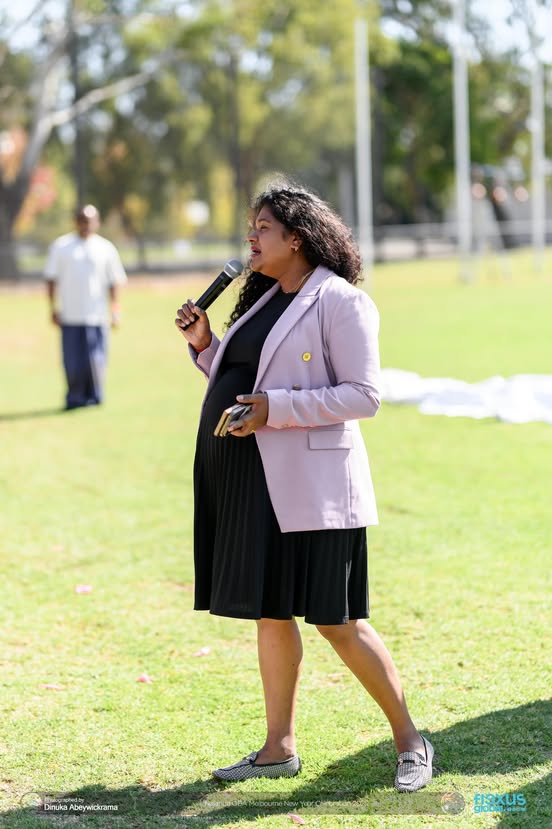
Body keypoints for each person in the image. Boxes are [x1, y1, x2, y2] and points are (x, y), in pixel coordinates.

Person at [175, 182, 434, 793]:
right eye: (251, 227)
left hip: (314, 485)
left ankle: (410, 739)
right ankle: (277, 748)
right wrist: (206, 344)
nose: (251, 237)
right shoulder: (262, 298)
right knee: (270, 612)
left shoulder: (340, 301)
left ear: (297, 237)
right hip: (253, 481)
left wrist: (276, 409)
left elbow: (364, 396)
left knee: (337, 619)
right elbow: (245, 377)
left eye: (262, 227)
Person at [44, 204, 127, 410]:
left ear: (96, 222)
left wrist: (115, 310)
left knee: (96, 359)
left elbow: (114, 282)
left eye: (90, 221)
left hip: (96, 316)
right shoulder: (62, 246)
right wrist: (52, 308)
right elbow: (51, 279)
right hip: (71, 316)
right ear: (76, 221)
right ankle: (75, 398)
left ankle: (95, 396)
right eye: (82, 220)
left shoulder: (105, 248)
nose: (86, 225)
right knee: (72, 362)